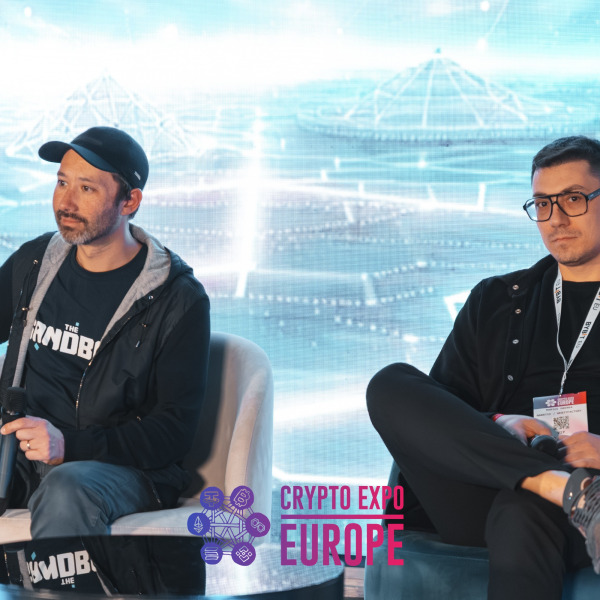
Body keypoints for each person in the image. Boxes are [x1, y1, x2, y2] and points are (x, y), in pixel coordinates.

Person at [367, 135, 600, 600]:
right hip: (485, 490)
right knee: (389, 383)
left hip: (577, 502)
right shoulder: (496, 300)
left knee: (521, 510)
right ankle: (560, 487)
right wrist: (497, 422)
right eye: (542, 204)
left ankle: (570, 494)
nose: (555, 219)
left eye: (573, 199)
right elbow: (441, 413)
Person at [0, 126, 210, 539]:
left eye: (87, 189)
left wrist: (69, 445)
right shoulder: (36, 261)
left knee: (66, 489)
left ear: (129, 201)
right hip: (20, 454)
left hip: (116, 471)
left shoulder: (178, 300)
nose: (66, 201)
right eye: (62, 182)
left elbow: (173, 431)